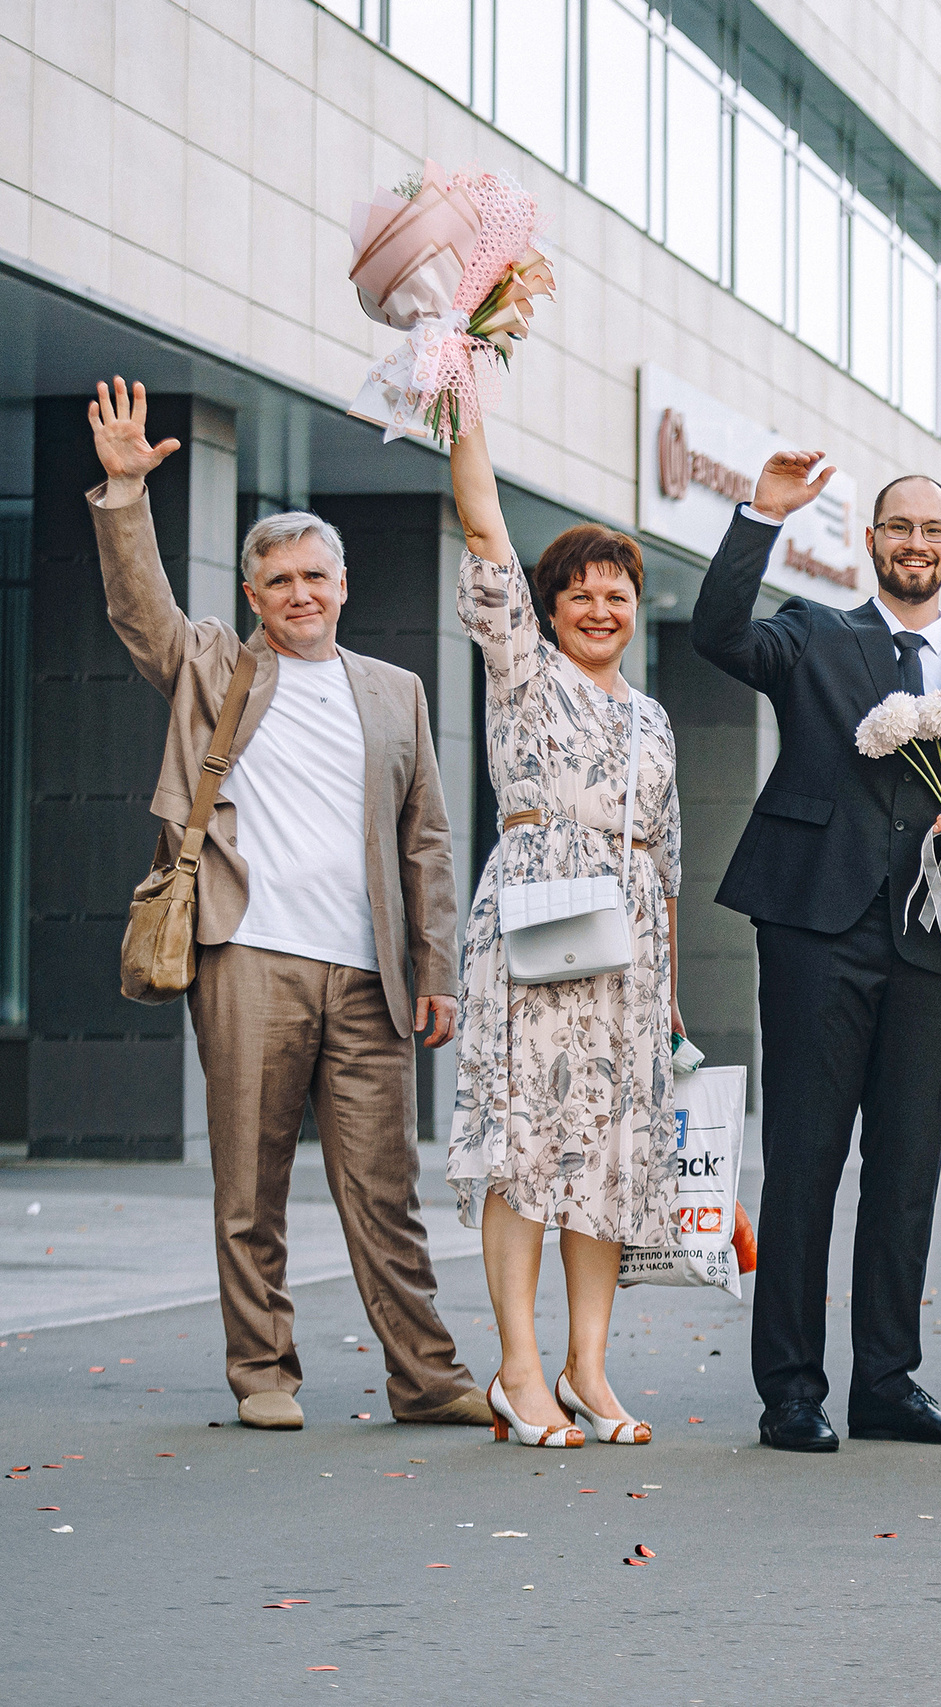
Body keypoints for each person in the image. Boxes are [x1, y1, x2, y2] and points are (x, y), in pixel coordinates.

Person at [82, 377, 485, 1432]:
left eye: (314, 576)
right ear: (254, 595)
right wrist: (126, 496)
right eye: (278, 580)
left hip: (368, 971)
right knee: (250, 1185)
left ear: (342, 586)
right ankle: (263, 1373)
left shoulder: (396, 690)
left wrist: (436, 969)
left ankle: (425, 1374)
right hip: (247, 953)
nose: (299, 593)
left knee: (384, 1189)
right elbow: (141, 612)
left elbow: (425, 840)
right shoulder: (213, 666)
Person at [693, 454, 941, 1453]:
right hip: (813, 930)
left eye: (933, 530)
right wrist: (759, 516)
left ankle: (888, 1382)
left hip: (931, 945)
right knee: (804, 1159)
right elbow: (716, 634)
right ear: (873, 542)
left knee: (909, 1167)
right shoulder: (812, 633)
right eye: (899, 528)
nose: (915, 543)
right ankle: (792, 1391)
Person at [442, 424, 681, 1448]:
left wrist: (670, 993)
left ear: (635, 609)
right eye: (580, 592)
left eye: (616, 593)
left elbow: (665, 855)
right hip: (538, 912)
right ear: (548, 608)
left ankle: (587, 1364)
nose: (600, 607)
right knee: (527, 1142)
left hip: (631, 949)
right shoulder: (523, 675)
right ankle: (519, 1369)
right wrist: (468, 412)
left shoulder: (657, 721)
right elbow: (485, 527)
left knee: (609, 1154)